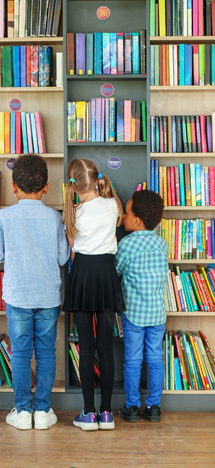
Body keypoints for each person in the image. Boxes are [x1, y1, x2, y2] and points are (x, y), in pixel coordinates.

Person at [0, 154, 69, 430]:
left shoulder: (3, 217)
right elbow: (62, 258)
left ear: (13, 186)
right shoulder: (54, 218)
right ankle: (43, 411)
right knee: (46, 352)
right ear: (46, 187)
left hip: (18, 295)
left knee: (20, 353)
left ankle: (22, 412)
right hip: (47, 296)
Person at [63, 158, 125, 431]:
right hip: (106, 273)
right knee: (106, 347)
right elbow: (115, 218)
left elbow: (72, 249)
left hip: (82, 273)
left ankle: (88, 414)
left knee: (86, 346)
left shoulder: (73, 212)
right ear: (96, 179)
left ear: (74, 186)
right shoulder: (113, 205)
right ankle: (107, 413)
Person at [116, 189, 168, 423]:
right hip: (157, 314)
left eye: (125, 213)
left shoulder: (127, 245)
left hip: (134, 315)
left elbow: (116, 271)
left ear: (136, 220)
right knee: (155, 358)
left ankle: (132, 407)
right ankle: (154, 407)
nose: (123, 217)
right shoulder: (162, 244)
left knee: (133, 360)